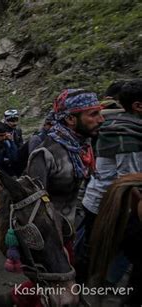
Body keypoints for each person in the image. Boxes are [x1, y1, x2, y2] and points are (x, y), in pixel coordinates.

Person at [0, 89, 104, 307]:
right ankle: (11, 299)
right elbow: (31, 205)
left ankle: (8, 299)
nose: (101, 119)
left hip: (72, 226)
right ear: (70, 119)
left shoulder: (81, 148)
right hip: (52, 235)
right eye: (93, 114)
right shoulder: (45, 154)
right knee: (56, 287)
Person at [79, 79, 142, 284]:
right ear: (137, 106)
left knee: (93, 248)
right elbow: (128, 181)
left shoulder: (120, 125)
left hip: (99, 199)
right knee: (104, 251)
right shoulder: (127, 135)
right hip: (110, 205)